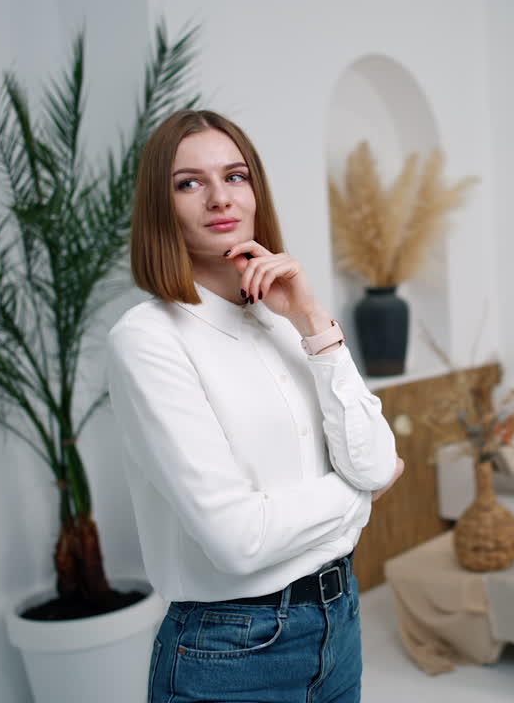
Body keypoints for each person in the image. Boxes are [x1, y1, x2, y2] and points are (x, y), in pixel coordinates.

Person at [106, 110, 403, 703]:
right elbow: (237, 538)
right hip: (232, 649)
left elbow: (371, 459)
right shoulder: (148, 338)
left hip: (339, 618)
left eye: (235, 176)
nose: (219, 197)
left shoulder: (286, 317)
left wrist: (315, 322)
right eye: (189, 183)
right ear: (160, 206)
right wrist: (361, 493)